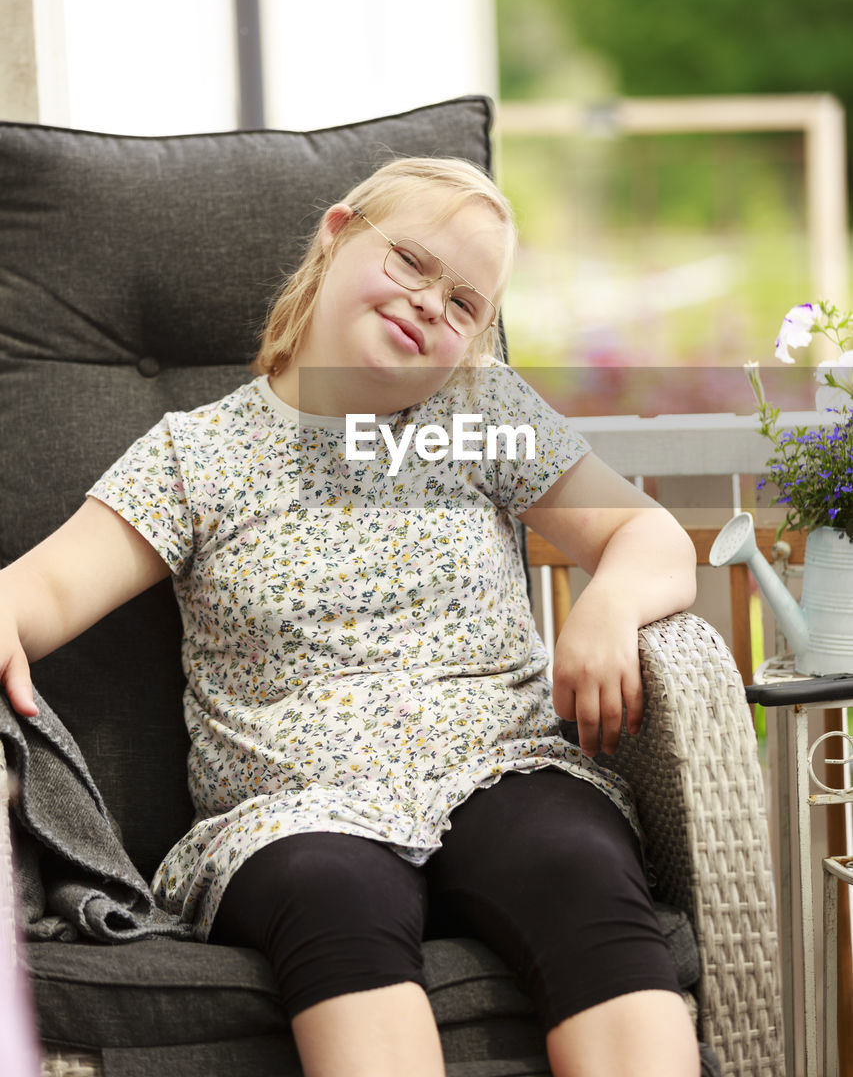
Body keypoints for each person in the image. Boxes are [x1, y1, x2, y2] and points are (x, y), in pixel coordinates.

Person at [0, 157, 700, 1077]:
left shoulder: (478, 418)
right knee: (331, 891)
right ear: (335, 236)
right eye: (409, 261)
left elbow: (651, 538)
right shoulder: (196, 456)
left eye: (461, 304)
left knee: (573, 860)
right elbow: (41, 591)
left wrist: (608, 599)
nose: (426, 305)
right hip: (295, 811)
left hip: (497, 768)